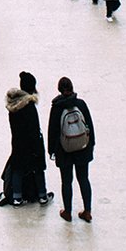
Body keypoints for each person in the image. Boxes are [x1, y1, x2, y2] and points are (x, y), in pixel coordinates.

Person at [0, 72, 52, 207]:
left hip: (17, 143)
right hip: (31, 144)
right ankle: (42, 195)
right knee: (38, 168)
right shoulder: (29, 107)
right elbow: (34, 129)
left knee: (18, 168)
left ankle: (17, 196)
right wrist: (37, 146)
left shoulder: (13, 107)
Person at [47, 76, 95, 223]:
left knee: (66, 181)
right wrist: (91, 144)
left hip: (64, 150)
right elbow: (90, 126)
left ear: (59, 90)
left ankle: (67, 212)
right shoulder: (81, 104)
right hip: (82, 148)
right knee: (84, 179)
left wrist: (51, 151)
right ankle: (87, 212)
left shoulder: (57, 108)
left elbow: (52, 131)